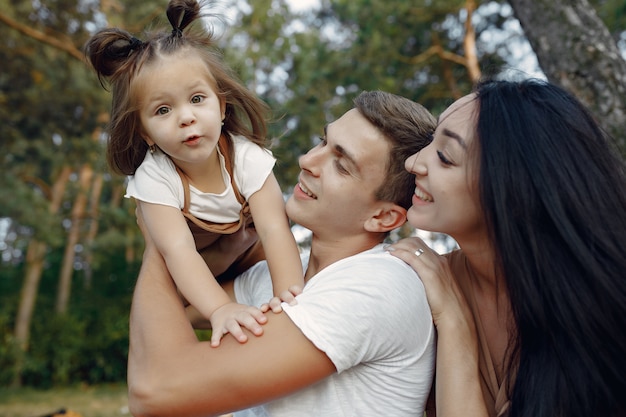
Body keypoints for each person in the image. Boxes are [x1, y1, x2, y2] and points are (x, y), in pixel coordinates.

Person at [127, 89, 437, 416]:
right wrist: (187, 238)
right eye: (322, 141)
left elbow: (155, 390)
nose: (307, 161)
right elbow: (166, 320)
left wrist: (158, 229)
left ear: (383, 217)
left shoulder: (377, 287)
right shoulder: (281, 278)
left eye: (342, 165)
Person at [390, 78, 626, 417]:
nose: (413, 162)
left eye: (444, 156)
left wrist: (455, 324)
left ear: (512, 189)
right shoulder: (424, 282)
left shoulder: (602, 316)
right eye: (431, 141)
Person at [85, 0, 303, 346]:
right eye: (163, 109)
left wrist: (292, 300)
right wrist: (219, 309)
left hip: (252, 257)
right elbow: (180, 252)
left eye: (197, 99)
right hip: (198, 272)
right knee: (170, 312)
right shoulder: (155, 177)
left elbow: (276, 230)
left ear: (221, 106)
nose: (185, 117)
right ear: (145, 133)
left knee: (282, 284)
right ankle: (197, 326)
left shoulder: (247, 158)